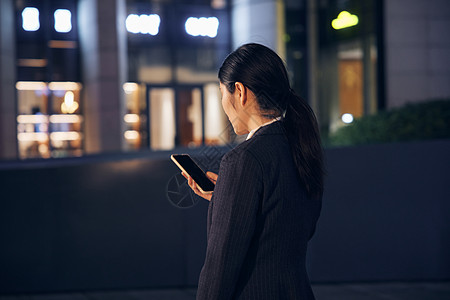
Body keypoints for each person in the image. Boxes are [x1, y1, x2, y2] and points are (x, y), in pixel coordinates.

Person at [183, 43, 324, 300]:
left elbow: (221, 264)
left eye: (222, 94)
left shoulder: (243, 160)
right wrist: (224, 198)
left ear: (239, 92)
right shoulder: (301, 147)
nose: (224, 105)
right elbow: (294, 225)